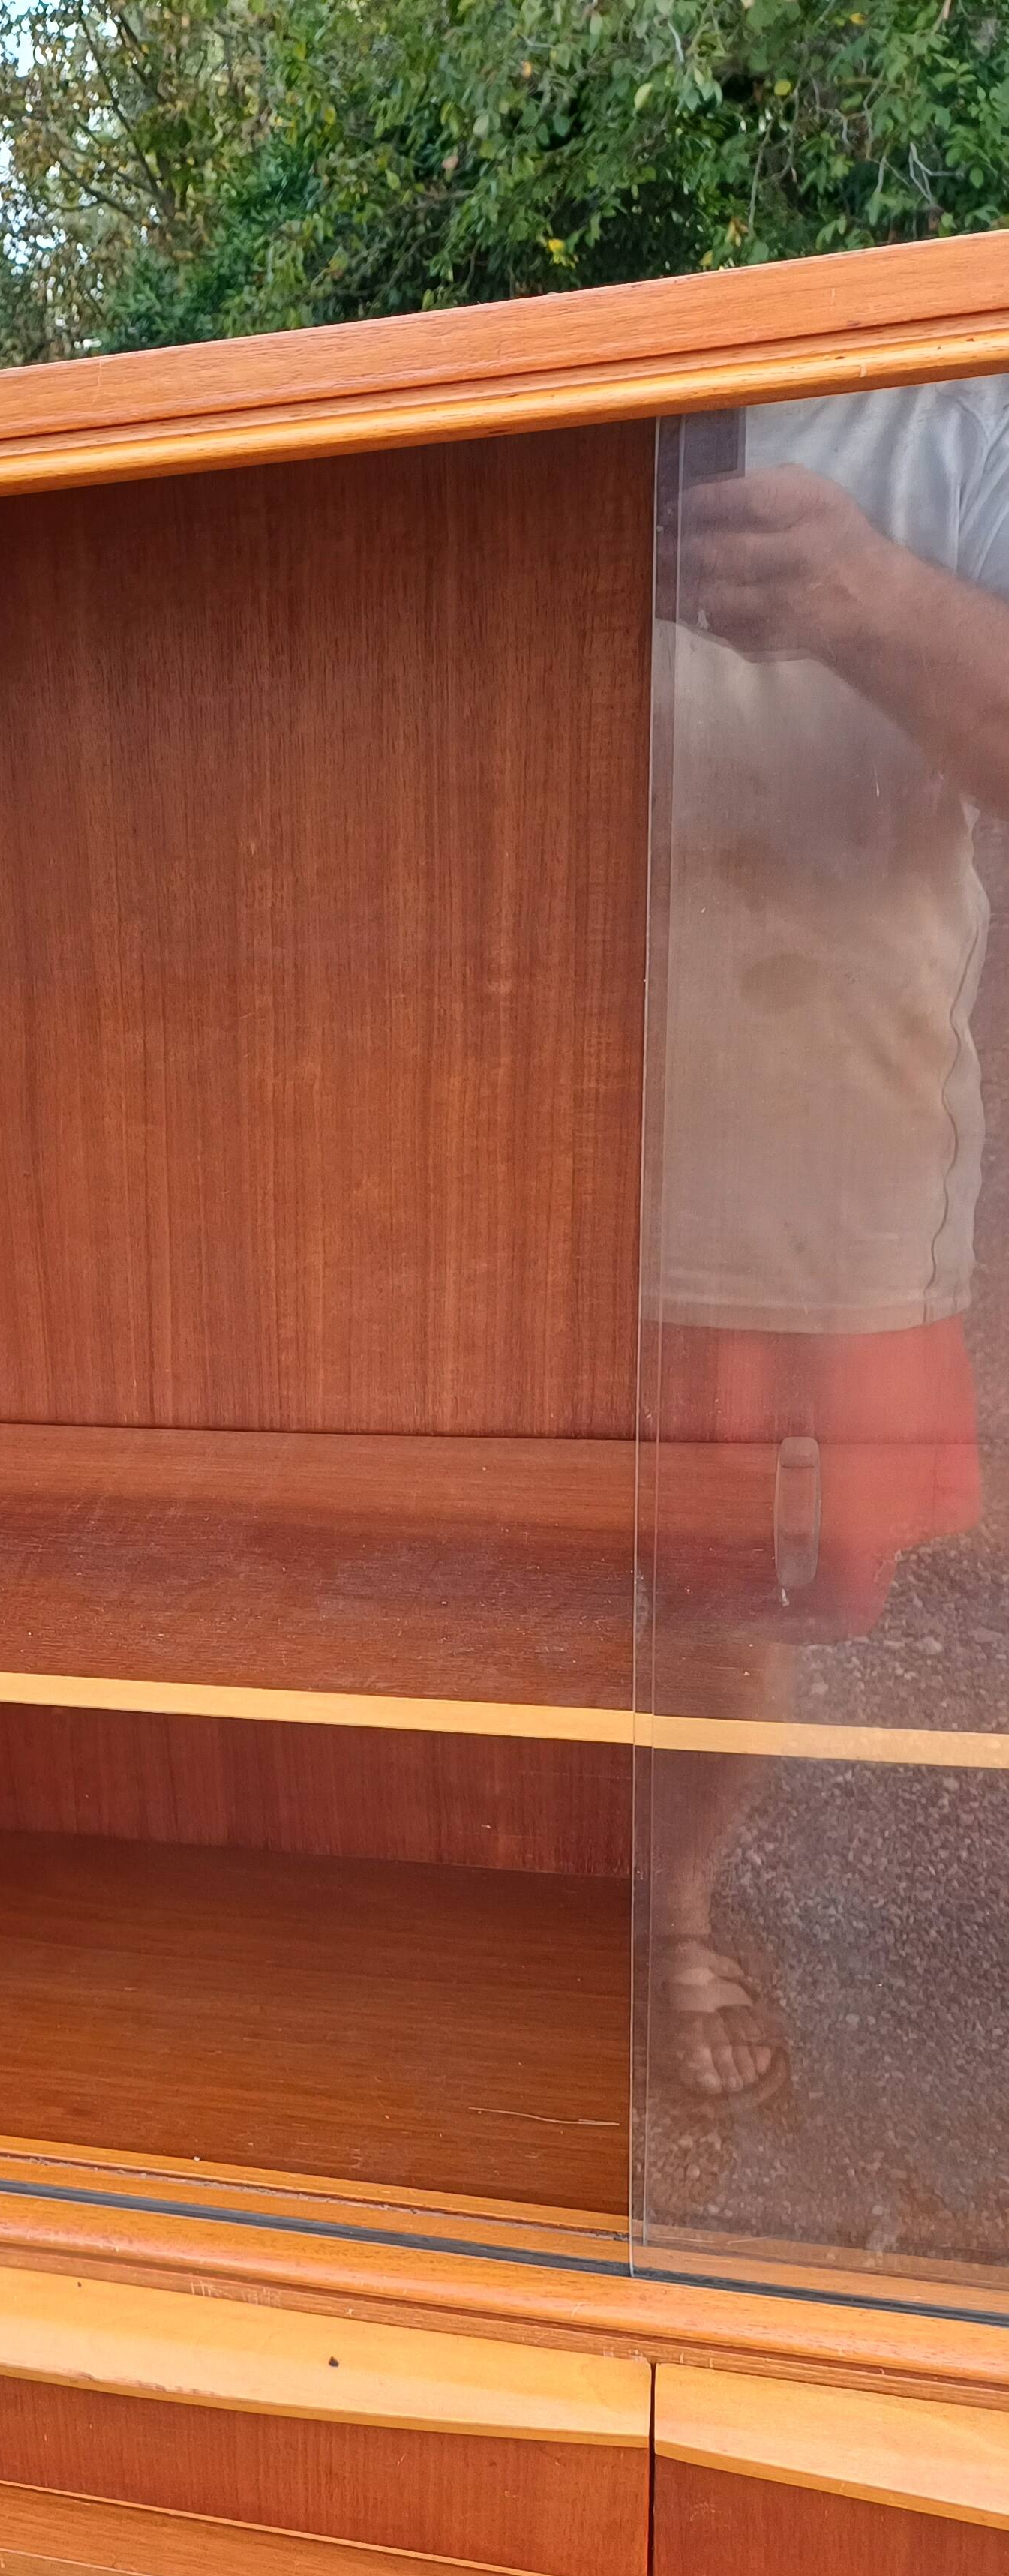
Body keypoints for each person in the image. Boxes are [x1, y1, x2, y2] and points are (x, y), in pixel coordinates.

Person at [650, 379, 1009, 2103]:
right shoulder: (546, 366)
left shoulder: (962, 406)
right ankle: (494, 1888)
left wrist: (870, 599)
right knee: (473, 1575)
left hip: (805, 1173)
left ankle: (669, 1909)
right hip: (492, 1156)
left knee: (731, 1608)